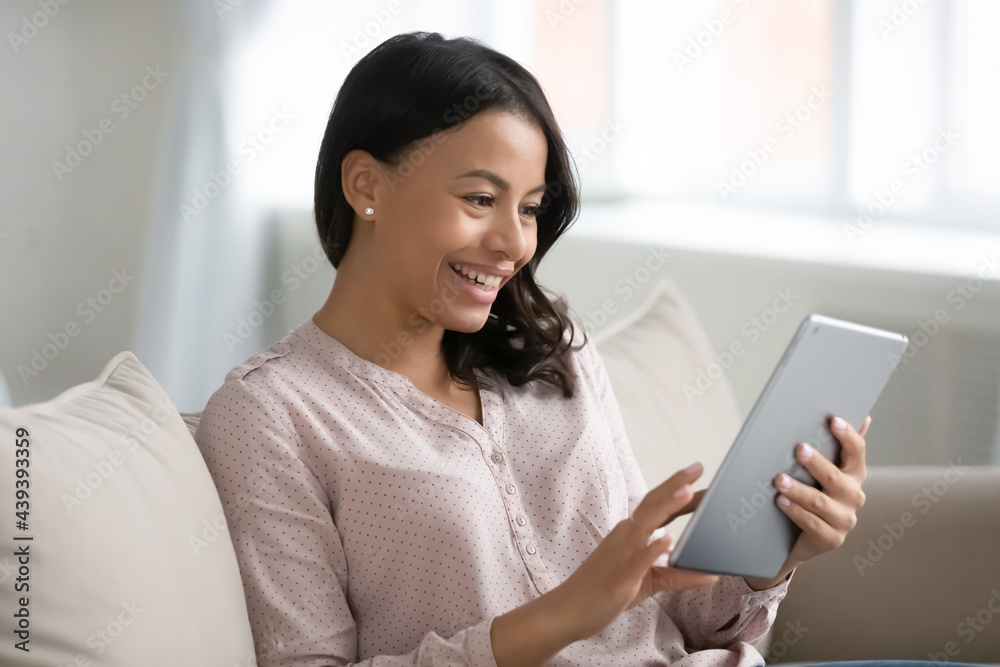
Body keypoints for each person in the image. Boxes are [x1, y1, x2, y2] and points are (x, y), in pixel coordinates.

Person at [195, 31, 871, 667]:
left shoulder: (554, 352)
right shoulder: (271, 416)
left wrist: (773, 555)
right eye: (481, 198)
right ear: (367, 186)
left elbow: (677, 613)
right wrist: (561, 616)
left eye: (528, 208)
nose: (516, 244)